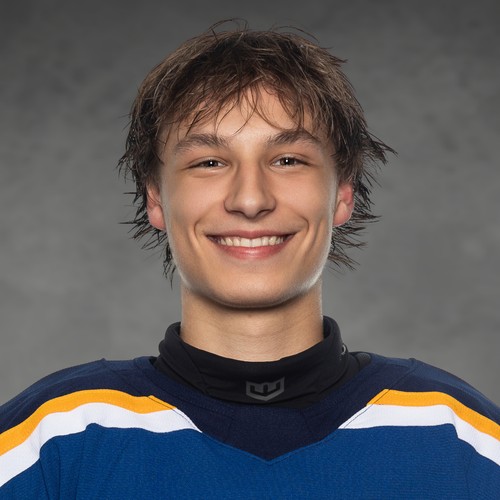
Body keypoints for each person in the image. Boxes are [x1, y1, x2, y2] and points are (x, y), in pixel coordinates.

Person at [1, 22, 499, 498]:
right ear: (156, 199)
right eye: (209, 162)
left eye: (288, 160)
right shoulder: (45, 444)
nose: (250, 199)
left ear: (342, 194)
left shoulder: (464, 441)